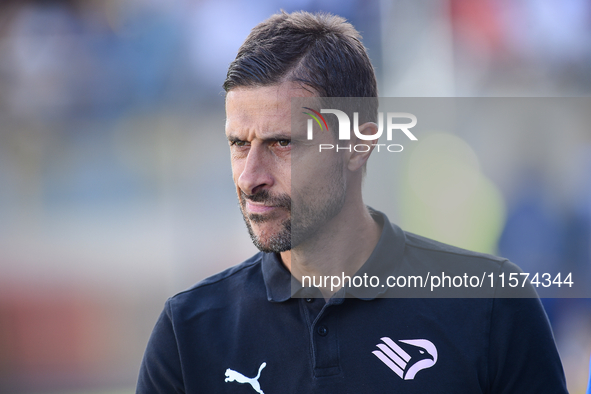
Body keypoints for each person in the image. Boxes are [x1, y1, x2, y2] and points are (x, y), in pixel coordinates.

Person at [137, 11, 567, 393]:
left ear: (359, 144)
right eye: (237, 143)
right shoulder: (189, 333)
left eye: (282, 143)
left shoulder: (491, 306)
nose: (250, 177)